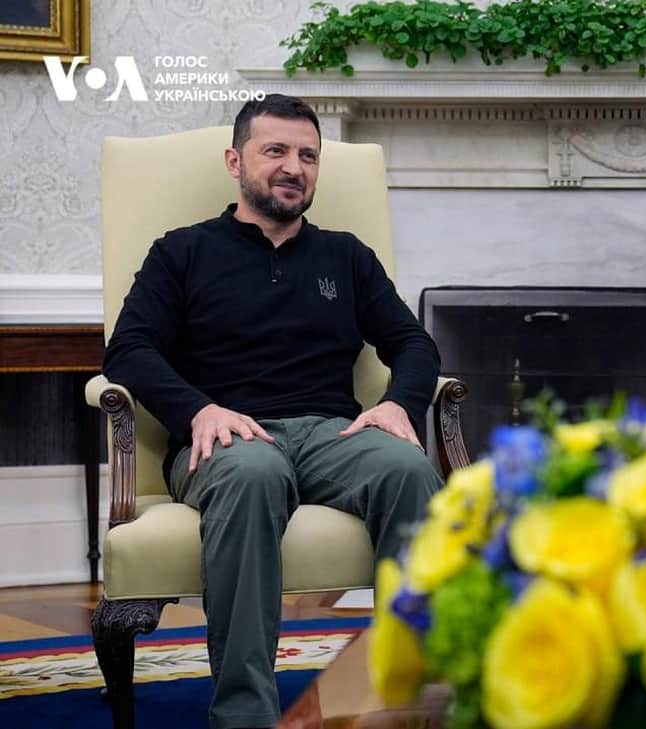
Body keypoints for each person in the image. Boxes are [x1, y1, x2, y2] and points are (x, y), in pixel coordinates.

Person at [103, 94, 442, 729]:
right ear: (236, 161)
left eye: (308, 156)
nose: (294, 167)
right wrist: (198, 410)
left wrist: (399, 404)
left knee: (407, 469)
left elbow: (413, 342)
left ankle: (411, 698)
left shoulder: (346, 256)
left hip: (332, 433)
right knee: (253, 473)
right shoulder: (181, 252)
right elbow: (128, 348)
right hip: (226, 437)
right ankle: (244, 715)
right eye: (276, 151)